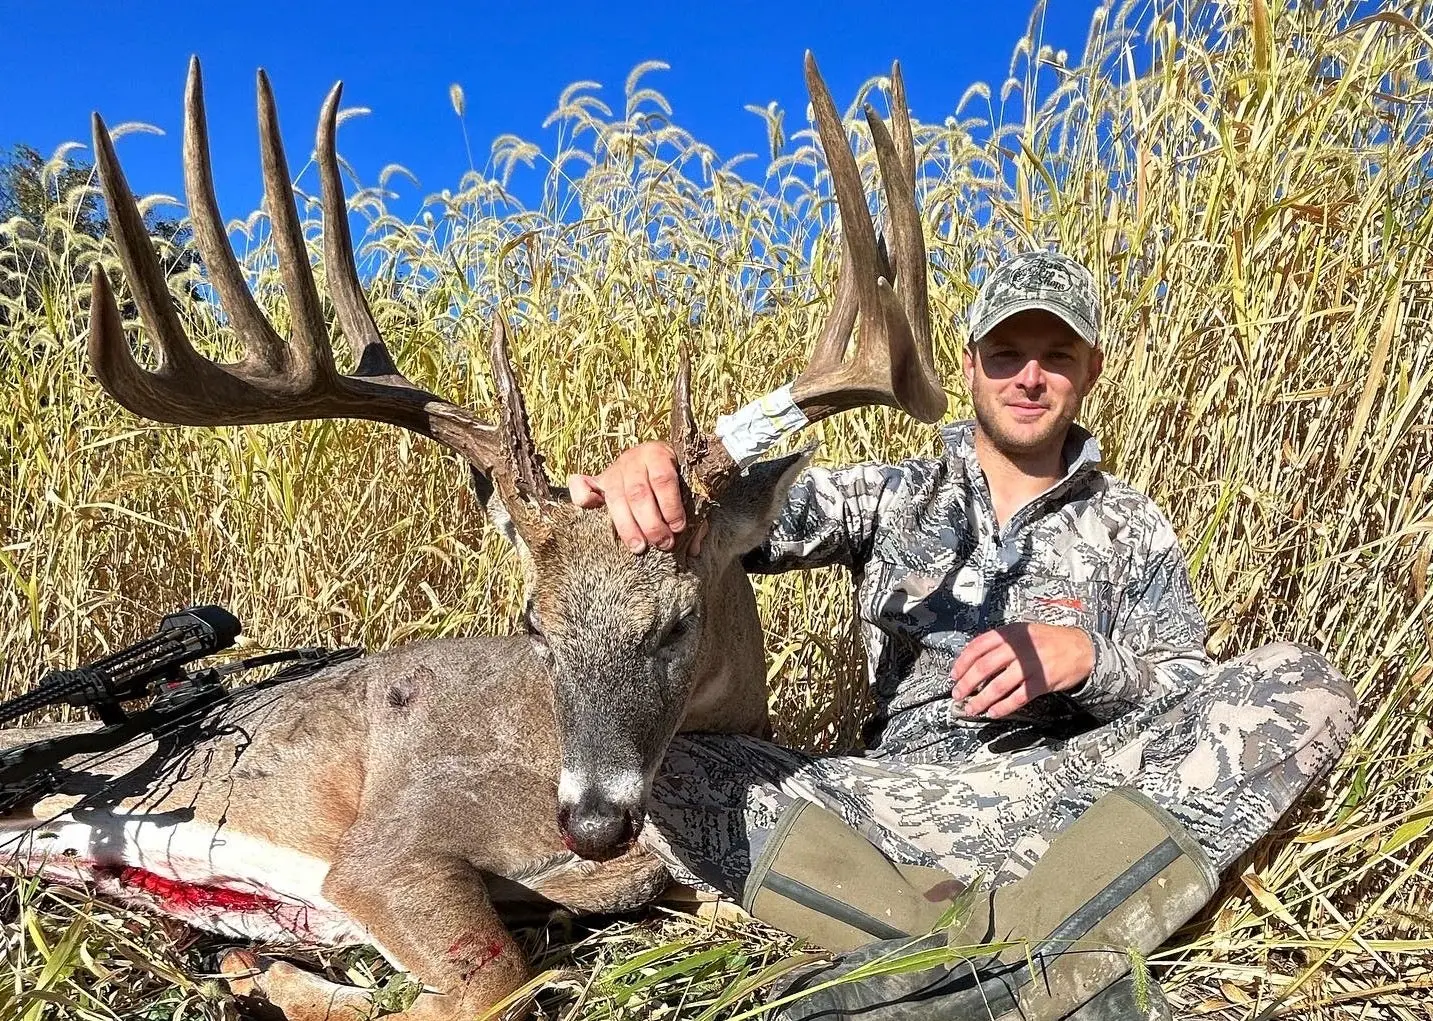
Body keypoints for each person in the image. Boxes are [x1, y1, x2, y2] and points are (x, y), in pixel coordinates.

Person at [569, 250, 1358, 1020]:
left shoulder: (1128, 522)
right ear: (970, 361)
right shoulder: (892, 495)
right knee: (673, 770)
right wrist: (658, 470)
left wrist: (1086, 661)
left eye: (1056, 355)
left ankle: (963, 976)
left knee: (1303, 684)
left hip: (1083, 802)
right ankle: (1056, 963)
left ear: (1091, 371)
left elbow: (1191, 686)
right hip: (891, 813)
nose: (1029, 376)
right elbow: (721, 529)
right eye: (1006, 352)